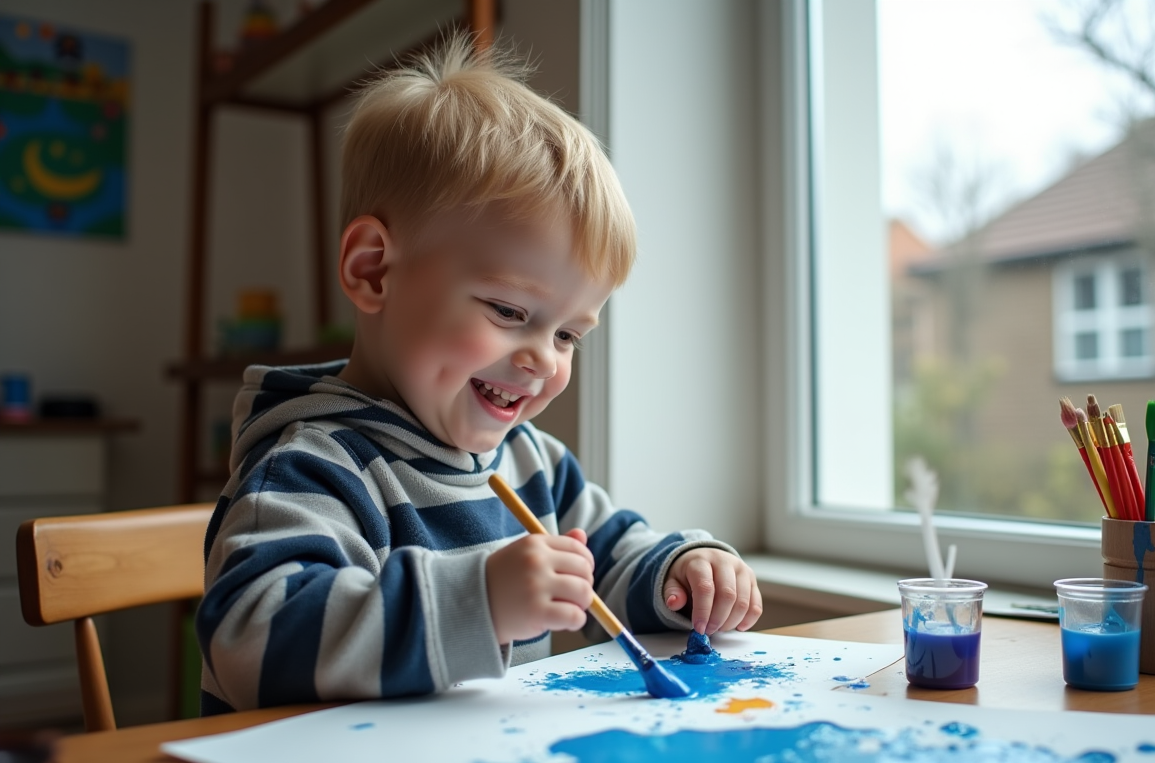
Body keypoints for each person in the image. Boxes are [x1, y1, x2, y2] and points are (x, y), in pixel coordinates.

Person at [197, 35, 761, 715]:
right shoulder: (308, 467)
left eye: (568, 335)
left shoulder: (533, 465)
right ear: (373, 269)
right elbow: (251, 645)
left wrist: (682, 572)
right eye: (509, 310)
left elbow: (611, 563)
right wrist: (480, 600)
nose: (544, 360)